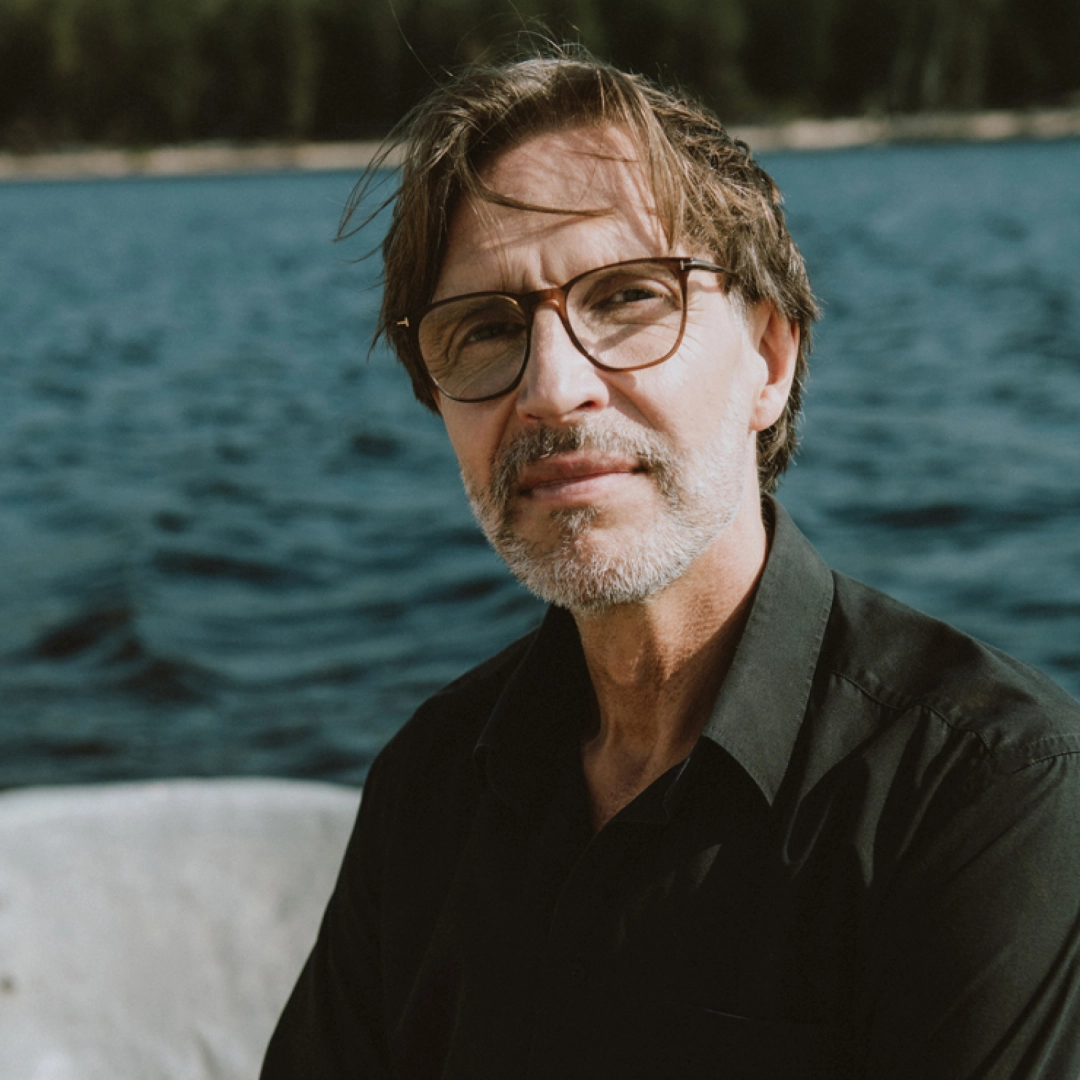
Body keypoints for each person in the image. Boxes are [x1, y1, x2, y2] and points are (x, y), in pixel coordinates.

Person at [261, 48, 1080, 1079]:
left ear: (769, 359)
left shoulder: (985, 794)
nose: (552, 388)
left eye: (627, 297)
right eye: (485, 329)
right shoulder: (429, 786)